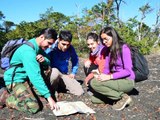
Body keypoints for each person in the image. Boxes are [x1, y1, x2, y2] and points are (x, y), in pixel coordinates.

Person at [3, 28, 59, 113]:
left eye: (52, 44)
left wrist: (44, 59)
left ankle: (32, 90)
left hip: (26, 78)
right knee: (33, 107)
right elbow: (35, 76)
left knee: (47, 69)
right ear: (42, 37)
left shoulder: (38, 46)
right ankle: (7, 98)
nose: (50, 46)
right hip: (15, 80)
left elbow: (48, 60)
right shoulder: (28, 51)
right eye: (49, 43)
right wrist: (49, 97)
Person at [89, 26, 135, 111]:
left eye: (106, 39)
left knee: (94, 83)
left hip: (127, 81)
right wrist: (102, 76)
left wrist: (109, 77)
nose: (104, 42)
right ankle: (118, 97)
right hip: (116, 79)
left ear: (113, 36)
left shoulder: (124, 48)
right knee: (94, 99)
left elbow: (128, 71)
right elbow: (106, 68)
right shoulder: (108, 49)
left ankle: (123, 97)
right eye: (102, 39)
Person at [47, 30, 84, 96]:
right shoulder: (52, 47)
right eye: (63, 44)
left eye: (68, 44)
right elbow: (44, 58)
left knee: (79, 92)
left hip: (63, 74)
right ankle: (51, 90)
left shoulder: (70, 49)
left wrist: (73, 72)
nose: (65, 47)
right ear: (58, 40)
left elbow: (75, 60)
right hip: (52, 73)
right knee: (55, 72)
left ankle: (60, 86)